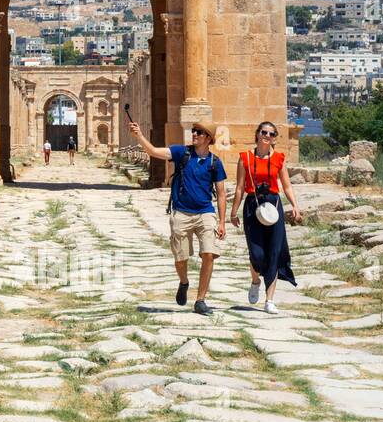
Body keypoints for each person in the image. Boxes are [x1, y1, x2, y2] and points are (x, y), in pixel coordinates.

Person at [127, 120, 227, 315]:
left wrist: (222, 221)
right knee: (180, 258)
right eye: (194, 131)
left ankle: (200, 300)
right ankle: (184, 281)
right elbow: (154, 152)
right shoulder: (182, 152)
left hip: (206, 211)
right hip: (182, 212)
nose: (195, 134)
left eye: (199, 132)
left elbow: (221, 193)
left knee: (208, 253)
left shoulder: (215, 162)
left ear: (208, 138)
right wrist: (138, 135)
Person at [229, 121, 301, 314]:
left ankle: (269, 300)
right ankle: (255, 280)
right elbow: (239, 187)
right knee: (257, 253)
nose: (267, 136)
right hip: (253, 206)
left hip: (273, 206)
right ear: (257, 134)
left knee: (274, 252)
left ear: (274, 138)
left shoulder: (279, 158)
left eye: (271, 134)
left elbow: (286, 185)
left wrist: (294, 205)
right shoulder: (244, 158)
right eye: (264, 132)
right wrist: (233, 212)